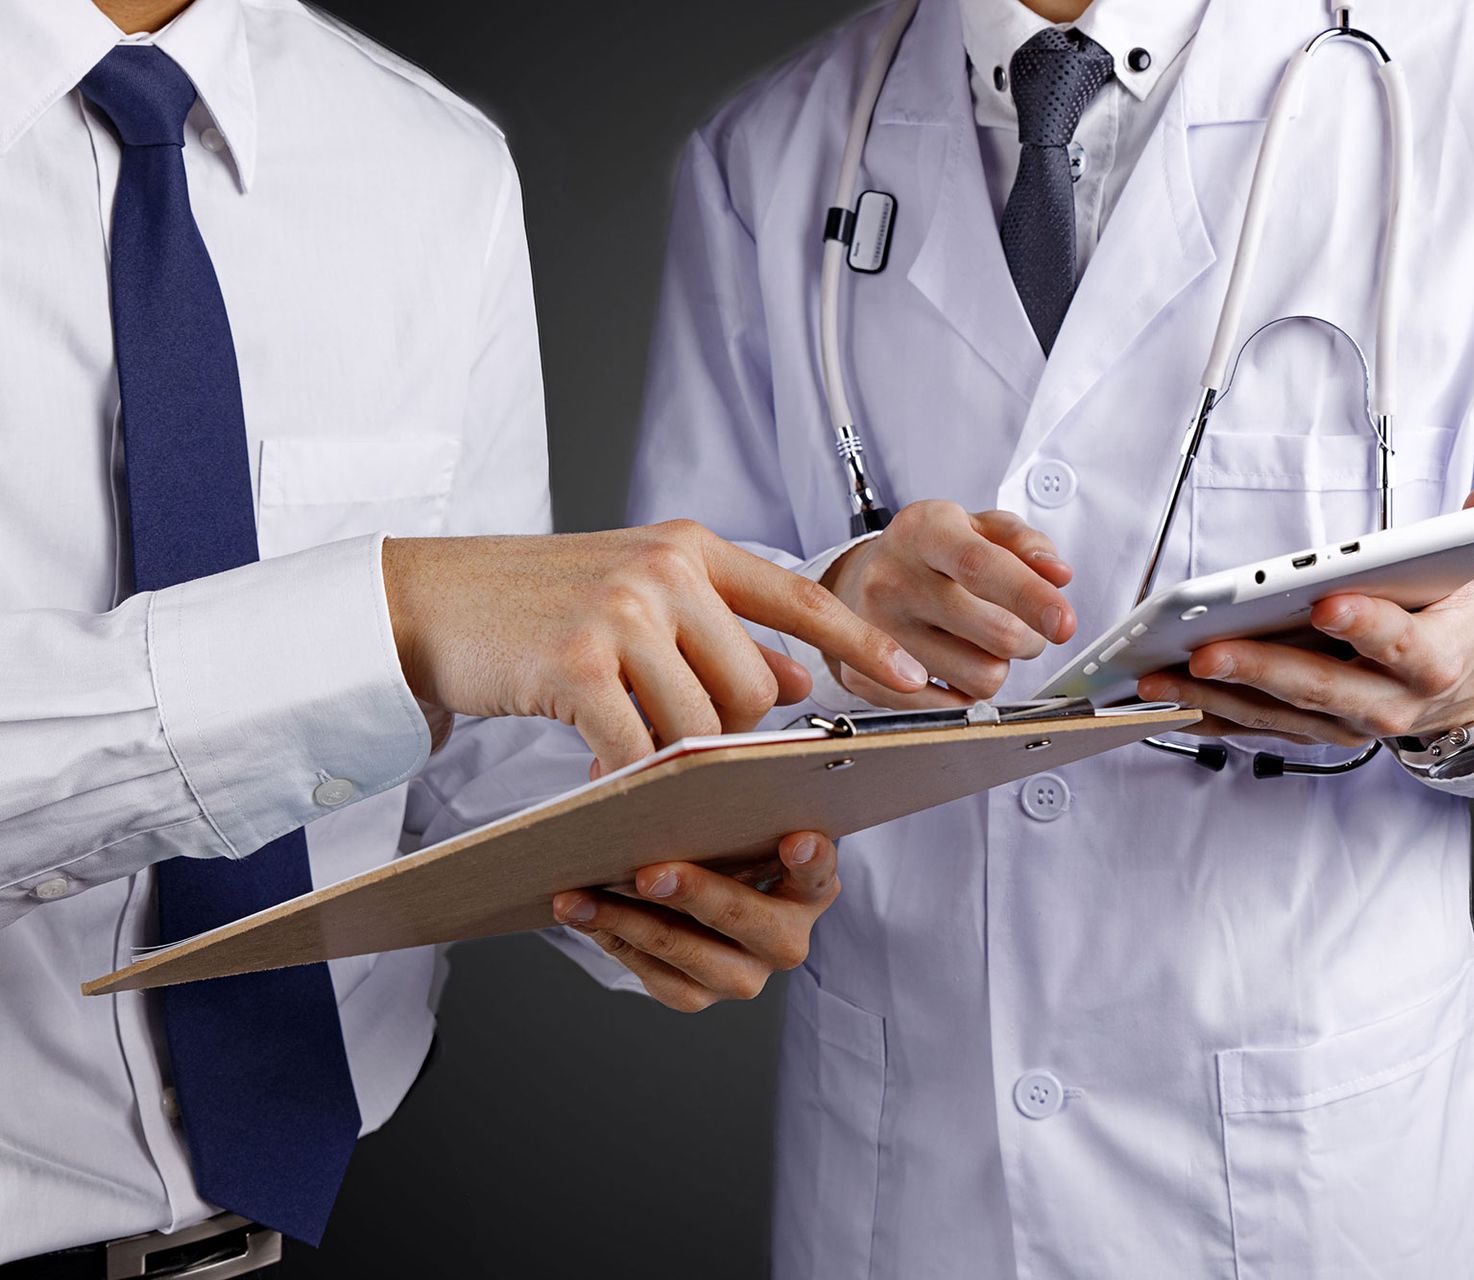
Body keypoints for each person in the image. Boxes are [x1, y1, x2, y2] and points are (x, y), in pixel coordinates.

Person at [629, 0, 1474, 1273]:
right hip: (912, 1188)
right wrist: (826, 609)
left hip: (1320, 1190)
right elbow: (658, 652)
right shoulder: (772, 149)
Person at [0, 0, 931, 1270]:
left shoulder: (429, 162)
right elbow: (402, 637)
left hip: (302, 1231)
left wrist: (677, 809)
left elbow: (451, 751)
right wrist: (386, 617)